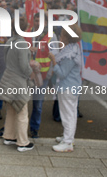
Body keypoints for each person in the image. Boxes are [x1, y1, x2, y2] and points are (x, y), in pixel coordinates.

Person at [0, 16, 34, 152]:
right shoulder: (22, 44)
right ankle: (22, 142)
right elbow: (24, 67)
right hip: (18, 81)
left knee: (11, 110)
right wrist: (31, 73)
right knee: (22, 112)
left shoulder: (10, 41)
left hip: (8, 78)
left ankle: (9, 136)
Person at [49, 24, 82, 152]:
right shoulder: (73, 48)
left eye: (62, 34)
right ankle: (68, 137)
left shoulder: (69, 53)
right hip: (72, 86)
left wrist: (53, 60)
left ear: (67, 37)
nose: (60, 36)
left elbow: (62, 73)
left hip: (67, 87)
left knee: (67, 114)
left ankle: (67, 142)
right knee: (71, 113)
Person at [25, 12, 59, 138]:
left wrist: (49, 74)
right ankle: (18, 128)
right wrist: (28, 50)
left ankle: (34, 129)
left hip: (42, 77)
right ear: (33, 21)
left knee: (38, 105)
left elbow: (55, 55)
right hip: (27, 75)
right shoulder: (27, 33)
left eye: (41, 21)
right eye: (36, 21)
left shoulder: (51, 36)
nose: (38, 23)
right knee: (20, 102)